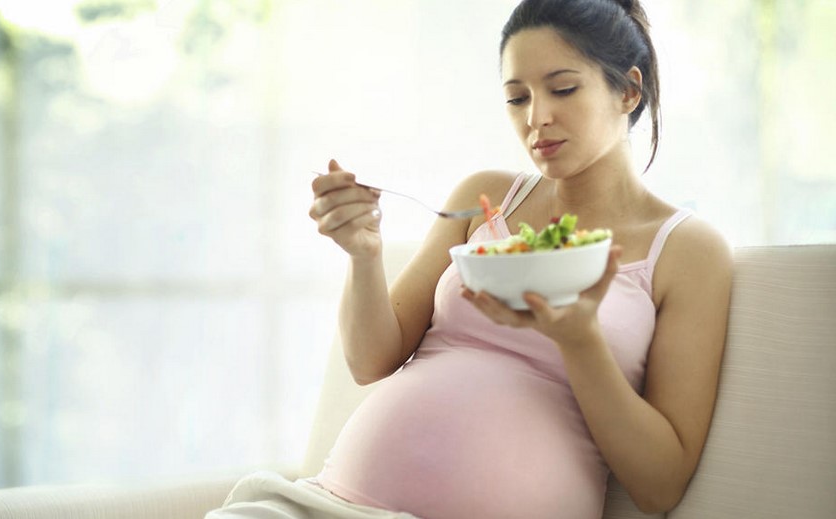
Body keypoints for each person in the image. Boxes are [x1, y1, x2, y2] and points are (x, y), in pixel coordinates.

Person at [209, 0, 731, 517]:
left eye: (563, 89)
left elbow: (660, 487)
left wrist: (579, 340)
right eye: (516, 97)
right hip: (330, 505)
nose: (537, 118)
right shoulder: (486, 197)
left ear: (629, 90)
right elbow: (371, 361)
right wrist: (364, 254)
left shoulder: (687, 250)